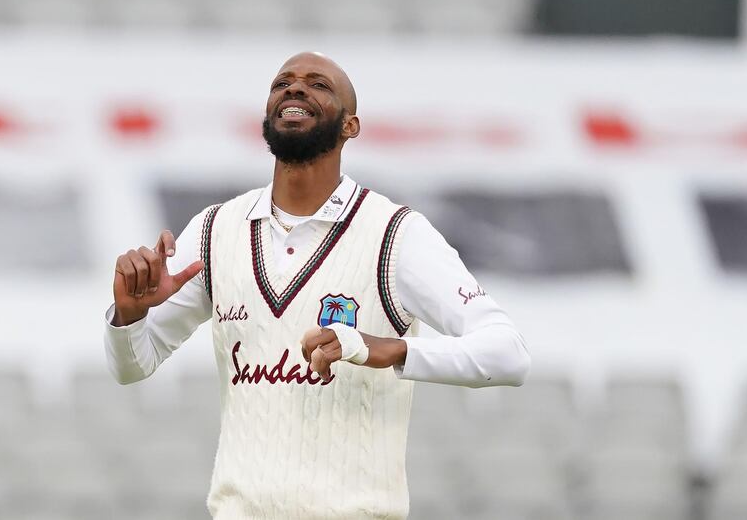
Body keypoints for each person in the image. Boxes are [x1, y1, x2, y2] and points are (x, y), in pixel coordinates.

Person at [104, 51, 530, 520]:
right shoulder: (215, 229)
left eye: (318, 84)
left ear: (351, 126)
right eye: (282, 82)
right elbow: (132, 366)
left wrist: (389, 350)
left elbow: (507, 354)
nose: (295, 88)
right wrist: (130, 314)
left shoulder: (395, 234)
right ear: (268, 114)